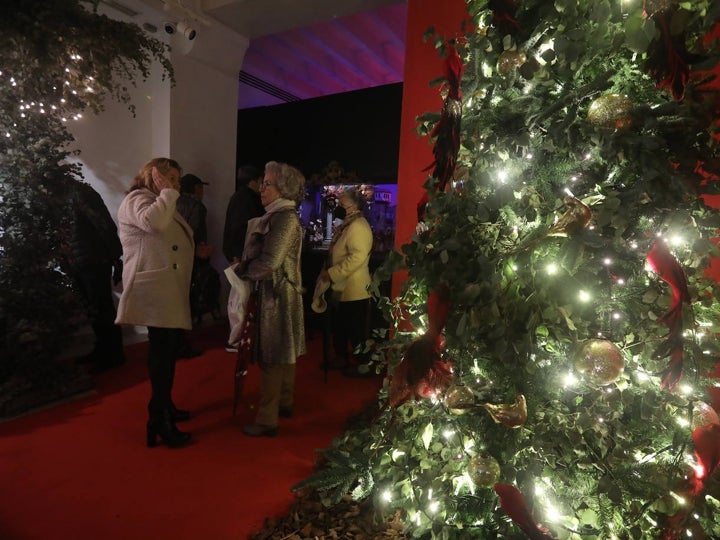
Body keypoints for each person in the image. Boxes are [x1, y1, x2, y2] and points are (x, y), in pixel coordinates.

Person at [115, 157, 193, 448]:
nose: (174, 185)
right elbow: (155, 223)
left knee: (168, 353)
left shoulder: (156, 199)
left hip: (165, 287)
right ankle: (158, 419)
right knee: (162, 356)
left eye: (176, 180)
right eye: (168, 178)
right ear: (153, 176)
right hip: (155, 290)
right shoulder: (138, 199)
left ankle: (165, 407)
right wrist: (167, 193)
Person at [237, 161, 306, 437]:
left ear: (283, 188)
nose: (261, 188)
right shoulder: (279, 215)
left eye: (267, 184)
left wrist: (241, 272)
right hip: (282, 293)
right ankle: (285, 403)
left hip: (276, 295)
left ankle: (267, 419)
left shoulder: (283, 217)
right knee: (285, 354)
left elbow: (269, 262)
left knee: (273, 357)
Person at [68, 180, 126, 373]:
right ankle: (103, 348)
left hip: (93, 258)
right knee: (93, 308)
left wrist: (115, 256)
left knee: (101, 307)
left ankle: (114, 354)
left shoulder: (78, 191)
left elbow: (103, 223)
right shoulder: (62, 194)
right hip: (80, 259)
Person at [319, 187, 373, 377]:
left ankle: (362, 364)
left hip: (354, 287)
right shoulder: (349, 224)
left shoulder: (358, 227)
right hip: (343, 286)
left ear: (354, 206)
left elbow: (356, 258)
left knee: (356, 329)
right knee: (340, 325)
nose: (339, 207)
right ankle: (342, 356)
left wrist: (332, 273)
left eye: (343, 204)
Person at [223, 165, 265, 352]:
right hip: (241, 256)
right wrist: (237, 256)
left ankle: (239, 337)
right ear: (253, 181)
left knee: (241, 297)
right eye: (262, 181)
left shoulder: (241, 197)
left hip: (240, 255)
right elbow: (240, 230)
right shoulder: (245, 199)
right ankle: (236, 339)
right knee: (240, 297)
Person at [177, 173, 219, 330]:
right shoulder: (197, 206)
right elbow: (196, 232)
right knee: (194, 289)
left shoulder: (174, 202)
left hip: (175, 254)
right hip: (192, 255)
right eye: (201, 187)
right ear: (196, 188)